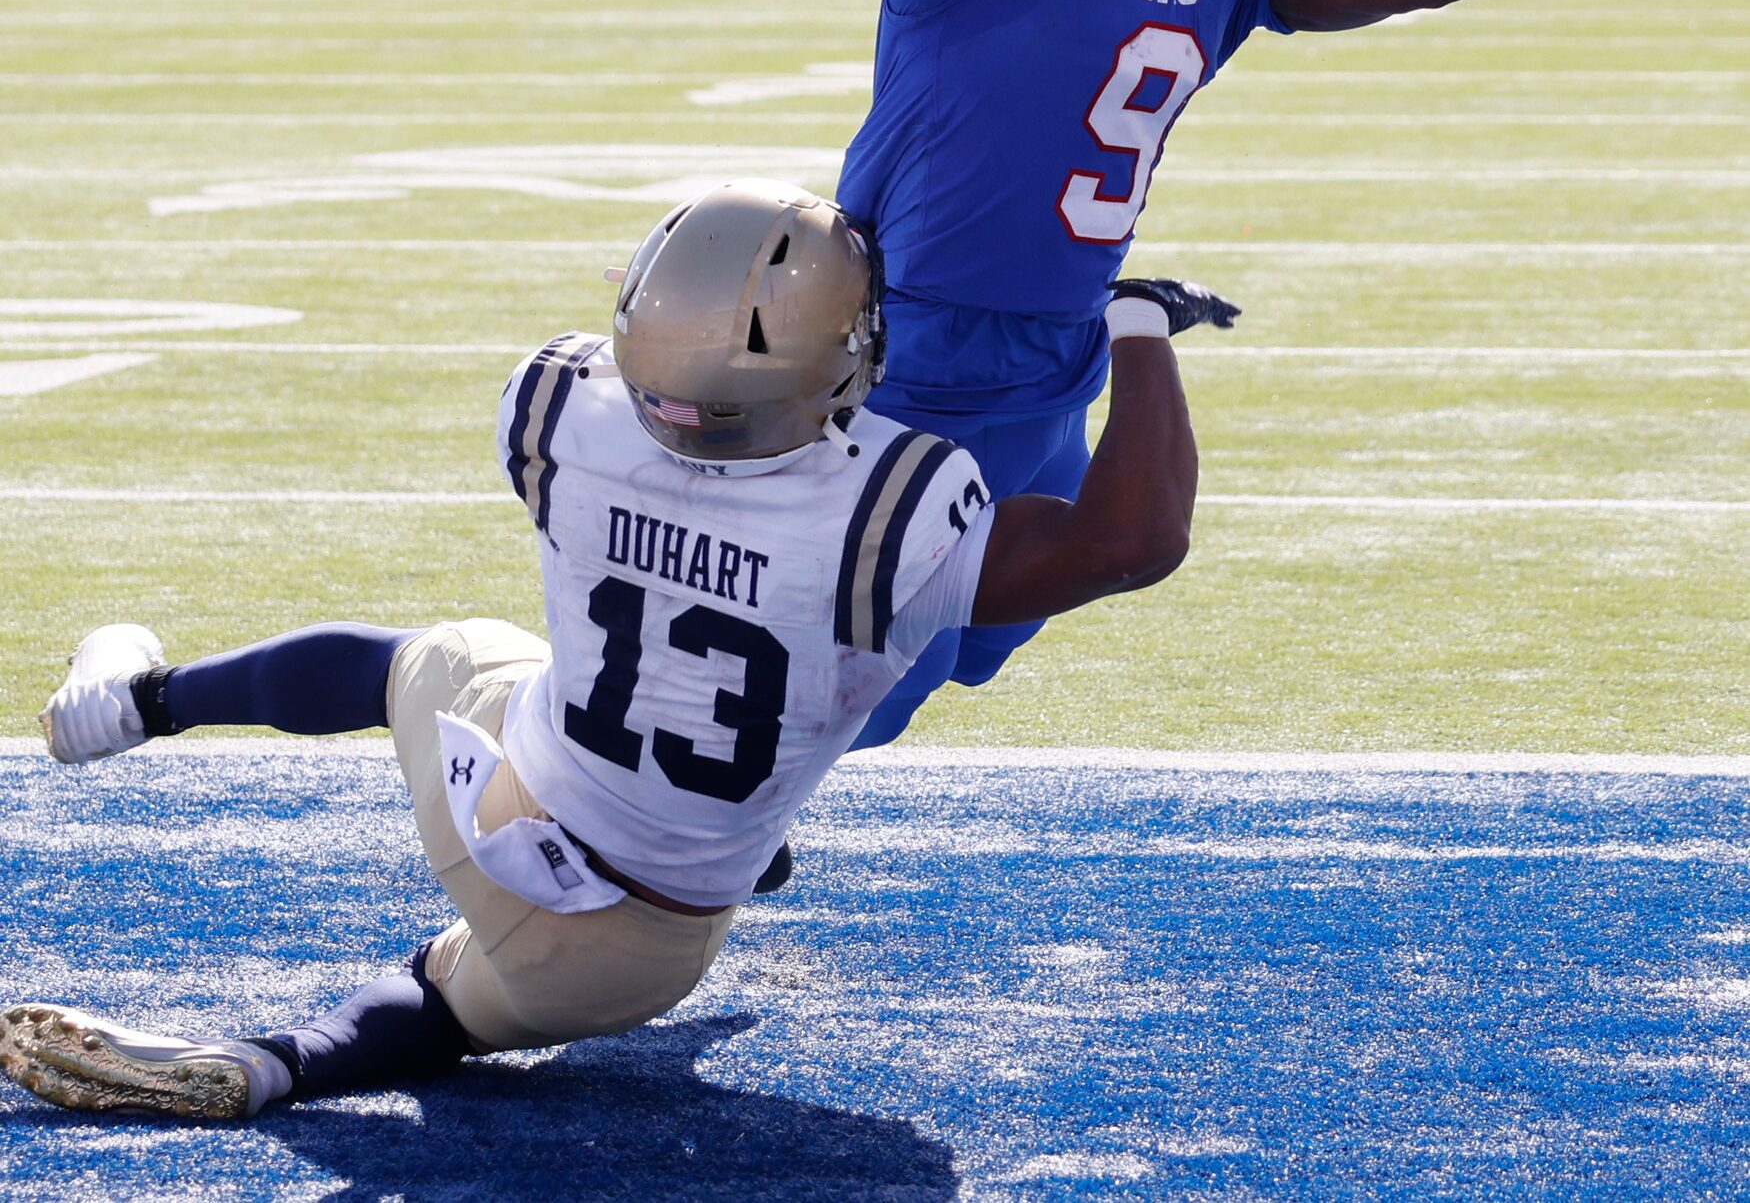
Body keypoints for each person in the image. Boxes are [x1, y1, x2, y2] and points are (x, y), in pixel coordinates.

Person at [1, 180, 1233, 1124]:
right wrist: (1139, 324)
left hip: (512, 799)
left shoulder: (557, 408)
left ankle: (138, 703)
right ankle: (273, 1068)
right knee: (450, 999)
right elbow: (1135, 537)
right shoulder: (896, 510)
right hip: (644, 953)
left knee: (422, 659)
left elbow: (685, 406)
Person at [835, 0, 1555, 748]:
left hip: (1055, 353)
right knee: (850, 673)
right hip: (904, 343)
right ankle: (634, 831)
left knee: (970, 646)